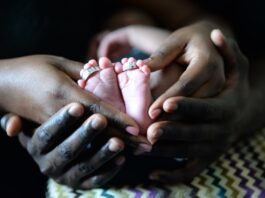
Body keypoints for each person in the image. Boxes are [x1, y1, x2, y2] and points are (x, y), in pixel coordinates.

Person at [1, 0, 264, 193]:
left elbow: (171, 42)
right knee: (105, 105)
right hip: (114, 112)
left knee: (168, 75)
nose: (125, 24)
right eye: (119, 23)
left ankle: (130, 111)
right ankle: (130, 111)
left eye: (131, 20)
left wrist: (132, 35)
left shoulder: (137, 38)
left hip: (148, 99)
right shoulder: (109, 45)